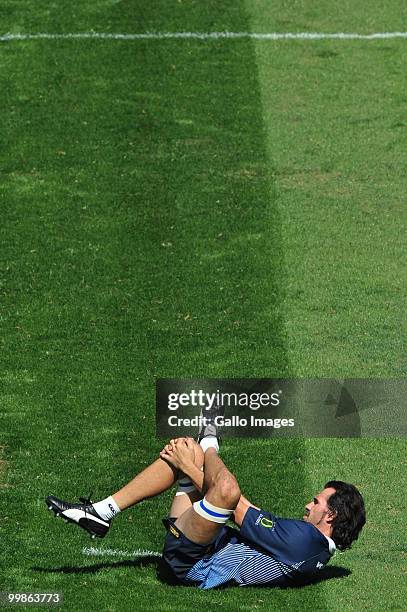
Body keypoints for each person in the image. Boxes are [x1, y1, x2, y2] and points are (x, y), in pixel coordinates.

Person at [46, 419, 366, 590]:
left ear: (332, 514)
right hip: (200, 543)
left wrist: (205, 450)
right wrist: (193, 464)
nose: (308, 506)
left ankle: (209, 438)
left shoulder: (305, 541)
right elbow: (241, 506)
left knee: (216, 478)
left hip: (194, 562)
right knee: (191, 454)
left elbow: (233, 502)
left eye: (316, 501)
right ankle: (103, 512)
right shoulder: (314, 550)